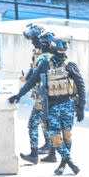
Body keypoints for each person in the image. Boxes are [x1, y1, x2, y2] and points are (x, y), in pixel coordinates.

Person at [9, 36, 85, 176]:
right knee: (55, 136)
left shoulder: (70, 65)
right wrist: (19, 95)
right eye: (60, 49)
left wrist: (81, 108)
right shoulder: (45, 64)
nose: (62, 52)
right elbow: (32, 81)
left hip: (68, 104)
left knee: (67, 137)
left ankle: (63, 164)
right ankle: (70, 162)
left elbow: (81, 85)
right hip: (52, 106)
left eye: (64, 49)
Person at [18, 24, 54, 165]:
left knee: (34, 123)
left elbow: (35, 73)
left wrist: (24, 87)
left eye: (33, 39)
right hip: (45, 94)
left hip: (43, 95)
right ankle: (51, 151)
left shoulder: (44, 55)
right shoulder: (43, 52)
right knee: (46, 122)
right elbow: (32, 68)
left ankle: (34, 155)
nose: (32, 42)